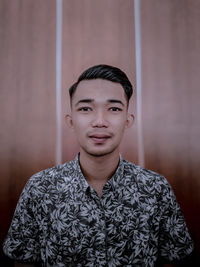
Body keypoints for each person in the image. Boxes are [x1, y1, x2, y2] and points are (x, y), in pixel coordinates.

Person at [3, 64, 194, 267]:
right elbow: (23, 260)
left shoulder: (156, 188)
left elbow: (175, 258)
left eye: (114, 109)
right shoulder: (39, 188)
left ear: (128, 120)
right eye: (85, 109)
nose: (100, 121)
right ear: (71, 121)